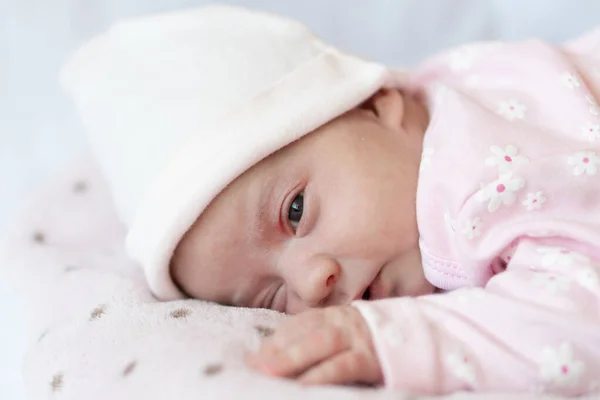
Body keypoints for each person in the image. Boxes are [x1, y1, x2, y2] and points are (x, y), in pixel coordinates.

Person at [61, 4, 600, 396]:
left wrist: (406, 338)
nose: (308, 284)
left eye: (295, 211)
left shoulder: (476, 184)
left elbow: (581, 318)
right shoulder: (454, 90)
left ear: (379, 105)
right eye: (268, 300)